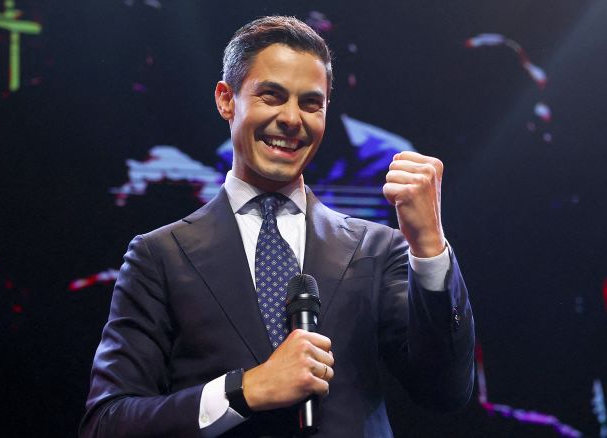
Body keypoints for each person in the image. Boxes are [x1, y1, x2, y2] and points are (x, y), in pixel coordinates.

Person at [81, 15, 474, 437]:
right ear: (226, 100)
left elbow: (444, 392)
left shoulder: (379, 249)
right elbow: (107, 423)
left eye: (311, 103)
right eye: (271, 96)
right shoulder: (159, 255)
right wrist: (243, 390)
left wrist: (430, 247)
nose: (292, 119)